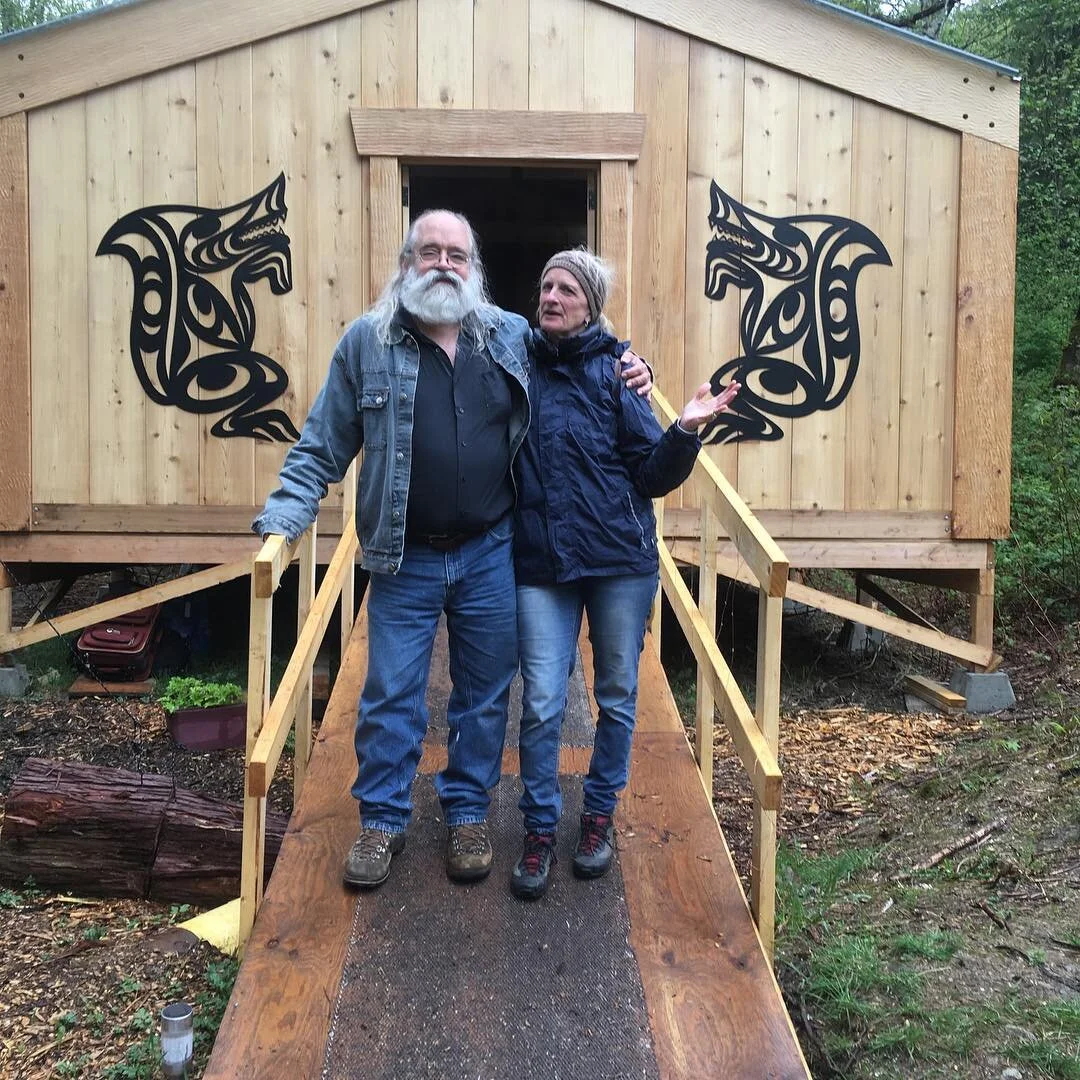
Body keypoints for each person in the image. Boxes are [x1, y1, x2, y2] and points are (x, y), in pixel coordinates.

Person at [252, 211, 651, 891]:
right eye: (429, 252)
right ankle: (381, 821)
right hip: (402, 555)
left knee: (484, 695)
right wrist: (283, 523)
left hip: (492, 549)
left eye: (456, 255)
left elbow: (578, 340)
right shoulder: (366, 343)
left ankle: (468, 811)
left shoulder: (509, 336)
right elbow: (320, 445)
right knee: (391, 693)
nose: (443, 264)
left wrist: (630, 365)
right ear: (406, 262)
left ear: (474, 268)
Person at [508, 248, 738, 900]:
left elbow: (651, 473)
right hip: (542, 563)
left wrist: (686, 429)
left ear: (591, 306)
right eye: (546, 286)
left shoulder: (619, 374)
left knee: (615, 696)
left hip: (619, 563)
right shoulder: (514, 363)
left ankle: (599, 817)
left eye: (567, 291)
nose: (551, 297)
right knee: (544, 701)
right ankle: (540, 827)